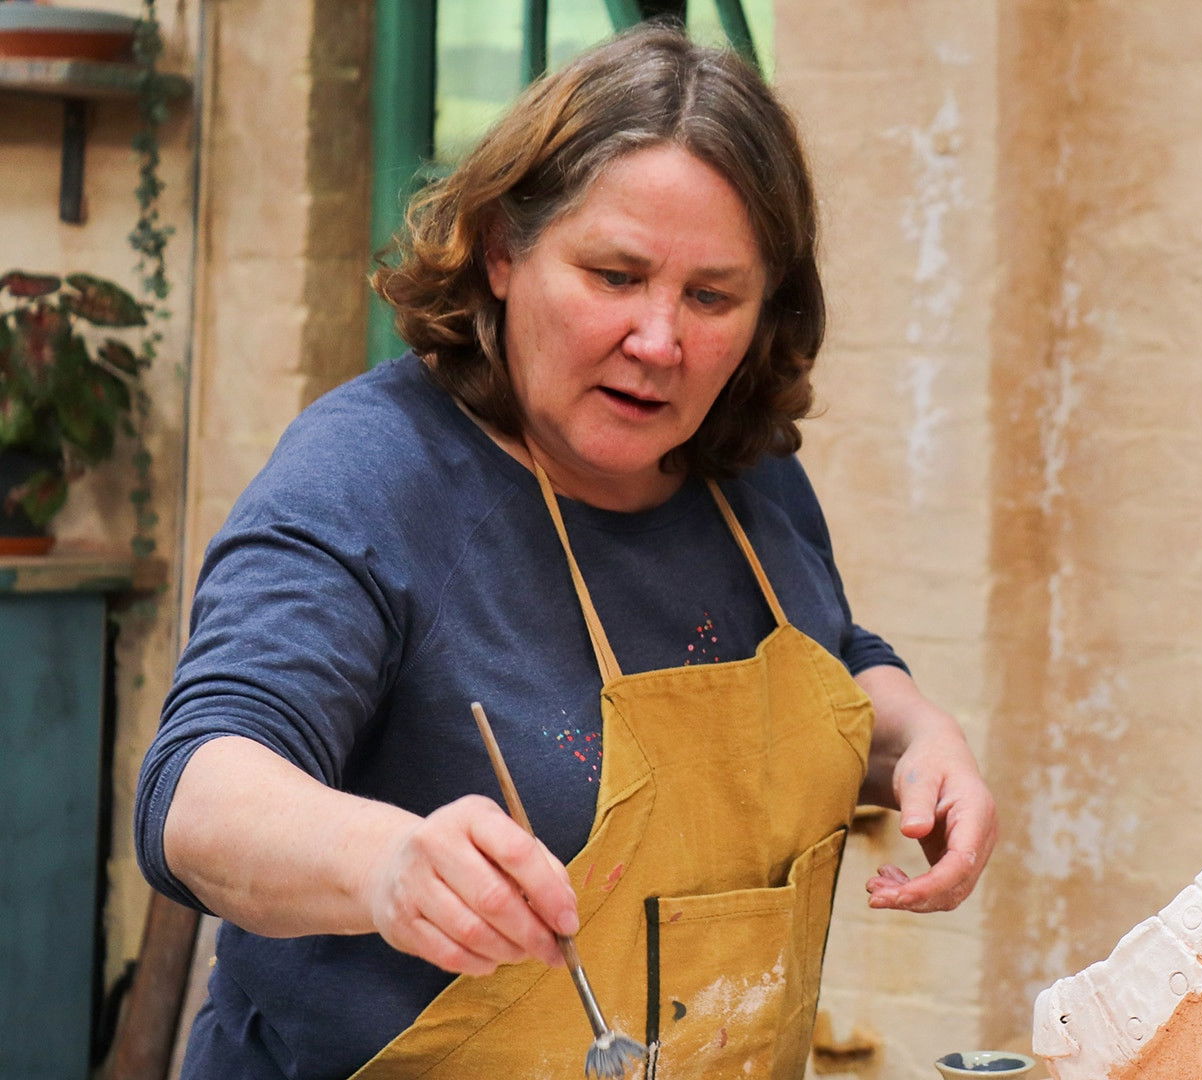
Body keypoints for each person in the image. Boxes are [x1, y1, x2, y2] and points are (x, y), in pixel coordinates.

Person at [135, 25, 995, 1080]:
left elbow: (833, 655)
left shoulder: (748, 474)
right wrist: (387, 863)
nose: (660, 341)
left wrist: (917, 738)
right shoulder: (371, 476)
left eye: (712, 297)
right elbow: (198, 792)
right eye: (615, 275)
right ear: (502, 250)